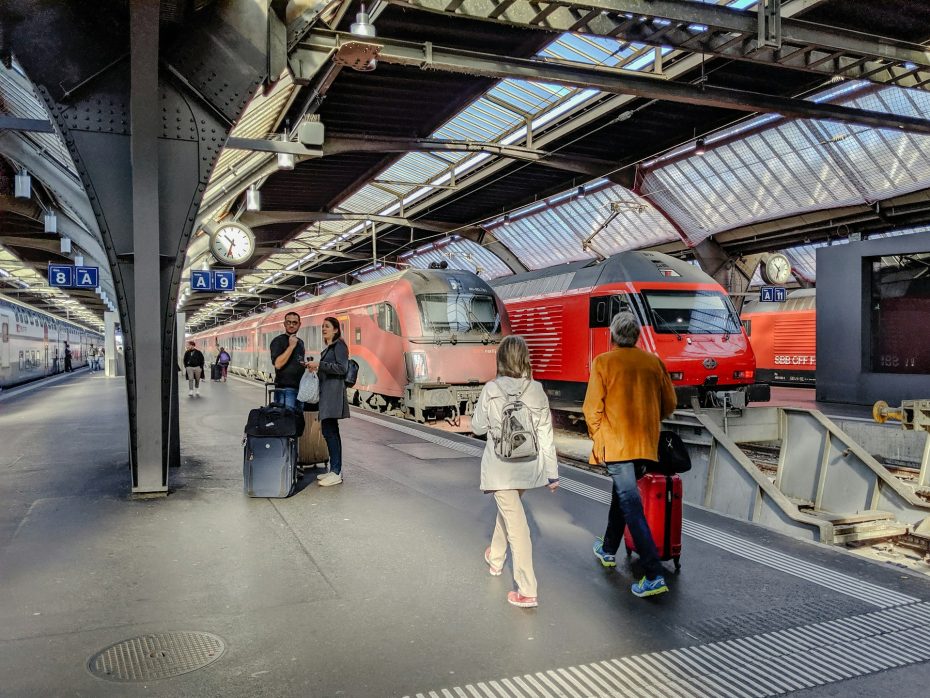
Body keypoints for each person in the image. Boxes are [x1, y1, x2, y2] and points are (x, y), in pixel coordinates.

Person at [583, 312, 677, 599]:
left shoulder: (603, 363)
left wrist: (600, 438)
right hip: (645, 446)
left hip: (617, 446)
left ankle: (653, 573)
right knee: (622, 497)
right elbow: (669, 404)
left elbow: (591, 409)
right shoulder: (653, 363)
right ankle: (608, 548)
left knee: (631, 505)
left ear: (612, 336)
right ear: (636, 336)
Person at [471, 335, 559, 609]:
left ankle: (527, 589)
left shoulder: (491, 389)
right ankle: (495, 558)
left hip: (501, 469)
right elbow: (546, 435)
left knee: (518, 527)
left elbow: (477, 428)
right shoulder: (537, 390)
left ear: (500, 359)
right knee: (508, 511)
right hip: (528, 468)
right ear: (524, 358)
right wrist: (552, 473)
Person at [304, 316, 349, 487]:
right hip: (327, 393)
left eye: (327, 326)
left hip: (333, 394)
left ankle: (336, 472)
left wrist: (320, 364)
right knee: (330, 431)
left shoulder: (339, 346)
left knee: (331, 433)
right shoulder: (330, 347)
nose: (324, 329)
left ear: (336, 330)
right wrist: (315, 367)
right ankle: (333, 469)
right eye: (323, 326)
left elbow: (342, 368)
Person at [270, 312, 306, 409]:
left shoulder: (301, 342)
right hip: (284, 389)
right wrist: (291, 347)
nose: (291, 325)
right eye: (288, 322)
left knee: (298, 422)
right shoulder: (278, 341)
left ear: (299, 324)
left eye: (294, 323)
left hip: (300, 389)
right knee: (285, 421)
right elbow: (278, 364)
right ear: (284, 324)